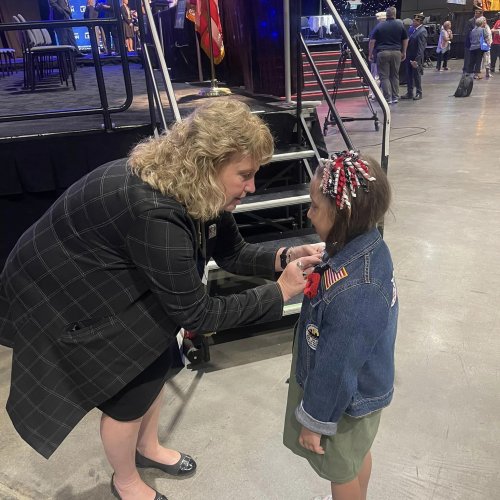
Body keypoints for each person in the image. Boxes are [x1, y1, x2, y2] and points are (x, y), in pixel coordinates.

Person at [0, 99, 323, 500]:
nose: (252, 186)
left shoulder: (198, 187)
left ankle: (147, 446)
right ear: (208, 163)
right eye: (245, 174)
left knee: (157, 359)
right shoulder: (155, 211)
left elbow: (232, 253)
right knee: (128, 390)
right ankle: (126, 480)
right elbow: (198, 314)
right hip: (61, 291)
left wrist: (284, 258)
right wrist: (281, 292)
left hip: (102, 268)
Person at [283, 151, 398, 500]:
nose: (308, 213)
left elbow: (337, 366)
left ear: (342, 214)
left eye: (315, 206)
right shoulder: (368, 246)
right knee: (355, 457)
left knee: (340, 470)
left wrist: (315, 422)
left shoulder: (355, 288)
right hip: (364, 390)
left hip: (344, 403)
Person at [368, 6, 408, 104]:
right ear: (395, 14)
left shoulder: (380, 25)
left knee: (384, 76)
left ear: (386, 14)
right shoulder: (400, 24)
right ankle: (395, 97)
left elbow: (372, 41)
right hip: (396, 52)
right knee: (395, 75)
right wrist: (404, 51)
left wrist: (370, 53)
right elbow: (405, 39)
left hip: (383, 53)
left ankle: (387, 98)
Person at [401, 12, 427, 101]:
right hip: (409, 56)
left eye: (415, 20)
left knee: (417, 76)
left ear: (419, 22)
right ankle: (409, 92)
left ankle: (419, 93)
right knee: (409, 76)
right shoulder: (413, 30)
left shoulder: (422, 31)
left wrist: (417, 60)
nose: (413, 21)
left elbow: (421, 48)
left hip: (416, 58)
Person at [463, 8, 483, 74]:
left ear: (481, 14)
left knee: (474, 58)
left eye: (477, 13)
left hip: (476, 44)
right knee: (467, 57)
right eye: (475, 13)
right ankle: (465, 70)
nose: (476, 14)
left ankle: (473, 70)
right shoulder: (470, 21)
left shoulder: (481, 21)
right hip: (469, 42)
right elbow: (467, 32)